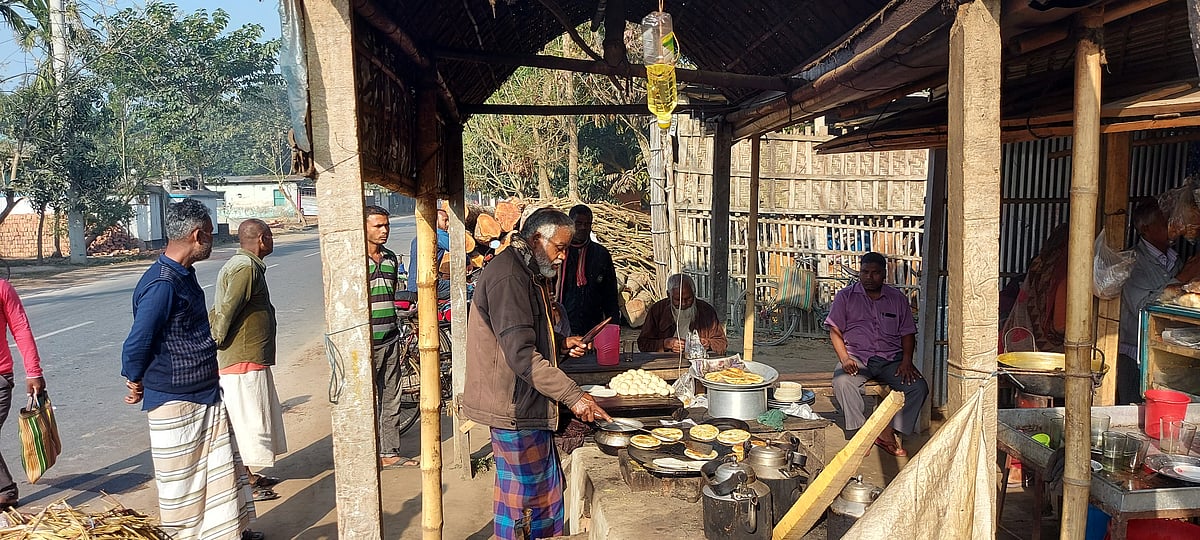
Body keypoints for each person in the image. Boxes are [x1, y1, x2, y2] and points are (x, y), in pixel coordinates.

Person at [462, 208, 612, 540]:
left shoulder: (528, 272)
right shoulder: (510, 278)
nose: (562, 257)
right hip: (513, 405)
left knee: (542, 493)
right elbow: (521, 355)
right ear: (535, 239)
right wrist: (574, 396)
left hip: (526, 403)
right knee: (525, 502)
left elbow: (524, 336)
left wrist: (559, 343)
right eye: (559, 248)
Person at [121, 198, 260, 540]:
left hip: (204, 394)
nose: (213, 240)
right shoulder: (162, 285)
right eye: (211, 234)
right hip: (176, 400)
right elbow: (138, 342)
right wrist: (134, 380)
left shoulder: (184, 275)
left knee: (218, 477)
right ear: (198, 236)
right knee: (184, 489)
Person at [209, 219, 286, 502]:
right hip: (241, 361)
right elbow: (226, 311)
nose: (273, 241)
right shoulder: (245, 268)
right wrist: (213, 342)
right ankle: (245, 482)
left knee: (248, 421)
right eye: (272, 236)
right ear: (263, 239)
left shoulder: (247, 266)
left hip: (248, 358)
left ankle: (248, 475)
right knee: (246, 423)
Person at [826, 252, 928, 457]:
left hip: (891, 360)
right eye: (865, 272)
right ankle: (861, 435)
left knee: (918, 387)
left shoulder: (897, 299)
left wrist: (907, 361)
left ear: (884, 275)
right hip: (856, 357)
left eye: (875, 273)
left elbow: (908, 333)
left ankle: (886, 431)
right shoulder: (845, 297)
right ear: (859, 272)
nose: (869, 277)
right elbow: (834, 331)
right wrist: (845, 359)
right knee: (842, 383)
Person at [1118, 199, 1200, 404]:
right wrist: (1182, 278)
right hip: (1135, 355)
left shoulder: (1174, 259)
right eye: (1164, 223)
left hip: (1167, 350)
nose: (1171, 227)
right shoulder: (1133, 262)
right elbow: (1142, 307)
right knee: (1136, 410)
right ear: (1146, 229)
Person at [364, 205, 416, 469]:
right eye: (378, 226)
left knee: (391, 397)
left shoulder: (391, 258)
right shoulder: (355, 259)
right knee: (364, 401)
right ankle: (365, 453)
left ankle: (389, 452)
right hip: (364, 345)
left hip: (390, 337)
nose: (384, 231)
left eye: (386, 226)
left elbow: (393, 293)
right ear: (363, 227)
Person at [0, 278, 46, 510]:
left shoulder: (2, 288)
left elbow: (20, 328)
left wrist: (33, 371)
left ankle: (5, 491)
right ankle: (5, 490)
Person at [1001, 225, 1069, 353]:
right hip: (1038, 352)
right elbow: (1060, 326)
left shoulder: (1040, 265)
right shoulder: (1063, 270)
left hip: (1019, 343)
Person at [556, 204, 621, 336]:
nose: (583, 227)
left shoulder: (600, 254)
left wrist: (613, 325)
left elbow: (610, 294)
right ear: (570, 224)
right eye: (578, 223)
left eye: (587, 224)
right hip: (562, 322)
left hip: (592, 323)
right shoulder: (559, 252)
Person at [637, 273, 728, 355]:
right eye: (678, 299)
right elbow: (643, 344)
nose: (683, 303)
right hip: (665, 361)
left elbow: (722, 343)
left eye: (688, 298)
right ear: (669, 295)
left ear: (694, 293)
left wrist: (708, 343)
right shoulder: (657, 310)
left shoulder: (706, 311)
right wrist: (665, 344)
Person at [407, 206, 451, 299]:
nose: (447, 224)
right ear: (435, 221)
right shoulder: (438, 235)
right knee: (468, 288)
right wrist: (468, 260)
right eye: (445, 220)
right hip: (429, 283)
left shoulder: (417, 238)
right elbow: (458, 250)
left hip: (412, 284)